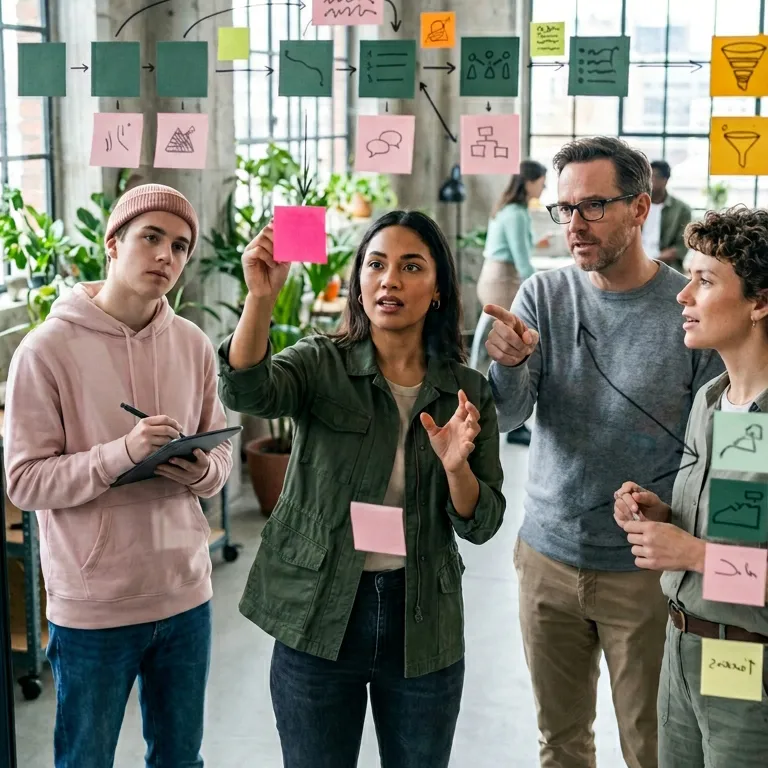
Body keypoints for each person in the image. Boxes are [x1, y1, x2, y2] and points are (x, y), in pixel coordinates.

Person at [217, 210, 505, 768]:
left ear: (438, 289)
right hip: (320, 608)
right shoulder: (319, 363)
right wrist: (260, 299)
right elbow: (248, 392)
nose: (389, 280)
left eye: (410, 266)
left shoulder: (468, 392)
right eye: (376, 264)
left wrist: (455, 468)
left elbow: (483, 520)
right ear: (358, 282)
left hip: (421, 618)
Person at [484, 137, 724, 768]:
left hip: (643, 573)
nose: (574, 225)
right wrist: (504, 366)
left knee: (650, 745)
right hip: (547, 557)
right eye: (563, 209)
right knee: (560, 744)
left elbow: (709, 450)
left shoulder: (689, 311)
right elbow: (509, 414)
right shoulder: (542, 296)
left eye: (592, 206)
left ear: (640, 207)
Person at [4, 184, 233, 768]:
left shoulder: (194, 345)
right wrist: (121, 454)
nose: (166, 256)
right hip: (94, 607)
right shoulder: (44, 350)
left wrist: (202, 469)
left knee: (181, 759)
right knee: (86, 759)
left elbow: (221, 458)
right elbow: (24, 482)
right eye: (150, 237)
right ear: (112, 243)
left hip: (186, 595)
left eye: (180, 246)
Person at [614, 206, 768, 768]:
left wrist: (694, 553)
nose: (683, 296)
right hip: (681, 650)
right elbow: (742, 525)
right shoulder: (712, 402)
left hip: (749, 666)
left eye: (704, 281)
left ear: (760, 301)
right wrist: (668, 520)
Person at [476, 159, 547, 446]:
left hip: (493, 275)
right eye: (542, 180)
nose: (544, 187)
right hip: (503, 279)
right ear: (529, 181)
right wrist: (543, 287)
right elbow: (522, 263)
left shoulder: (507, 208)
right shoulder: (517, 213)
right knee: (520, 339)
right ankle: (514, 420)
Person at [642, 160, 692, 272]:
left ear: (665, 180)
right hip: (635, 261)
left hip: (666, 266)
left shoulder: (682, 210)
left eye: (654, 176)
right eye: (647, 176)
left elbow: (681, 247)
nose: (649, 181)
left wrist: (653, 260)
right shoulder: (636, 205)